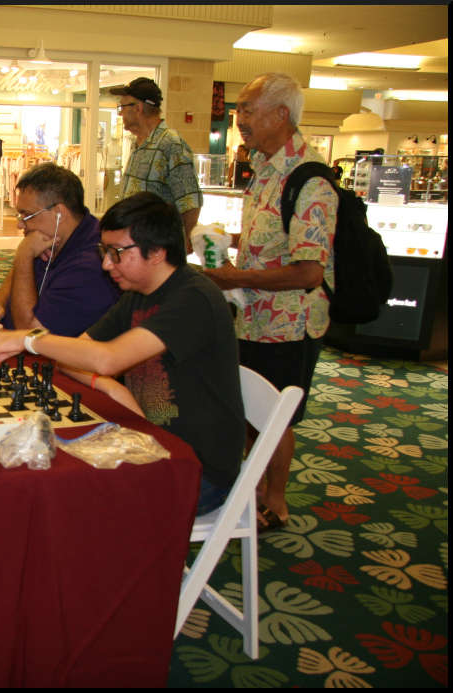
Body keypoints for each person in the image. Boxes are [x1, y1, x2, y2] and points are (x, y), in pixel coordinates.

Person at [0, 192, 244, 515]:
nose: (106, 264)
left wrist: (29, 340)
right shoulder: (137, 293)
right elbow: (80, 353)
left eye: (116, 253)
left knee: (68, 500)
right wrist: (108, 385)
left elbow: (106, 358)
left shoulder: (194, 298)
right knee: (39, 479)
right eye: (104, 251)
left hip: (195, 467)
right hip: (145, 439)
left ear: (158, 252)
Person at [203, 72, 337, 531]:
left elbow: (308, 271)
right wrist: (230, 242)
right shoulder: (264, 167)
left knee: (274, 416)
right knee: (247, 407)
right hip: (254, 316)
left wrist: (235, 276)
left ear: (282, 114)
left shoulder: (310, 180)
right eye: (238, 109)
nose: (239, 119)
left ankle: (274, 502)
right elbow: (270, 239)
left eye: (248, 109)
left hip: (290, 323)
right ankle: (251, 487)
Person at [0, 163, 119, 337]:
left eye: (26, 215)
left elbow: (29, 335)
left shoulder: (91, 265)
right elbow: (18, 273)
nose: (20, 224)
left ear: (59, 213)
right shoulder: (53, 237)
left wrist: (23, 255)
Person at [110, 77, 203, 250]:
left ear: (137, 108)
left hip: (156, 251)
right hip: (134, 249)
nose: (120, 113)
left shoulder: (170, 144)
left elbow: (190, 202)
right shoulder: (139, 144)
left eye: (122, 107)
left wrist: (182, 247)